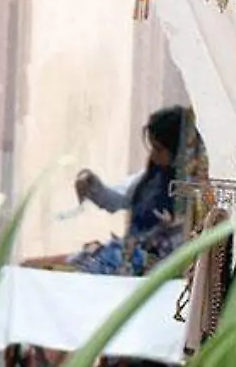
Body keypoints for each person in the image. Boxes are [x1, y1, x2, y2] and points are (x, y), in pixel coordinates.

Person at [64, 105, 205, 276]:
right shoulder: (151, 178)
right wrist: (91, 185)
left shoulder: (188, 196)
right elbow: (116, 200)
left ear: (176, 151)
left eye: (159, 149)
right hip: (129, 257)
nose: (153, 155)